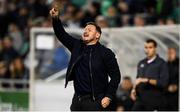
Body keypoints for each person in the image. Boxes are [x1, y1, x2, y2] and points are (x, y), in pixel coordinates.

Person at [50, 5, 121, 111]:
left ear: (97, 35)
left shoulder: (105, 53)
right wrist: (55, 19)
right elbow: (61, 34)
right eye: (85, 29)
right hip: (77, 101)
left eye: (90, 30)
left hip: (96, 101)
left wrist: (108, 96)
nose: (86, 31)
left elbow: (116, 77)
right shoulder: (77, 46)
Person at [131, 39, 169, 111]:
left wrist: (147, 80)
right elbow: (137, 79)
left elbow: (164, 83)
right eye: (146, 47)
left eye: (150, 47)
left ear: (155, 48)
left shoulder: (161, 63)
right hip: (140, 100)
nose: (147, 50)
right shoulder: (141, 63)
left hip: (155, 101)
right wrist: (133, 90)